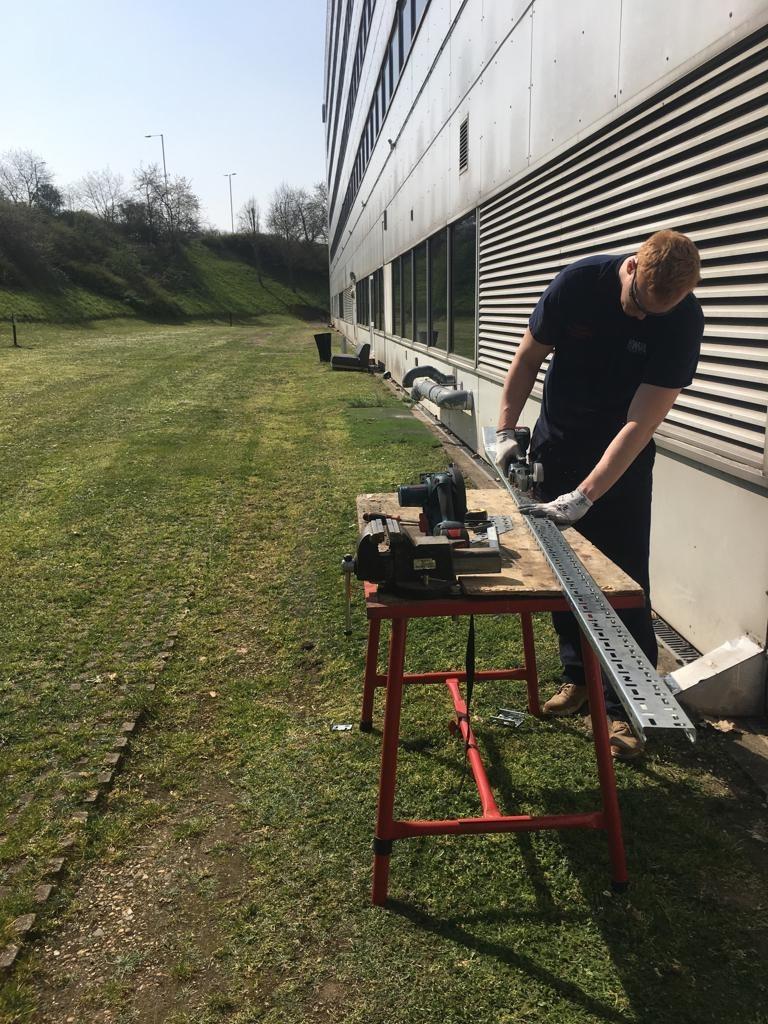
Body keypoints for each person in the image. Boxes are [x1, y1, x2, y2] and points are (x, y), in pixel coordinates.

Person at [495, 230, 703, 760]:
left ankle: (624, 708)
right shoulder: (578, 284)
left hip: (621, 466)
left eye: (656, 315)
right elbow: (526, 358)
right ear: (631, 268)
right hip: (556, 444)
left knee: (626, 582)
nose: (642, 319)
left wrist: (586, 495)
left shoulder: (681, 320)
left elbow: (641, 422)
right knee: (561, 572)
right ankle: (577, 678)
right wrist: (504, 430)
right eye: (638, 307)